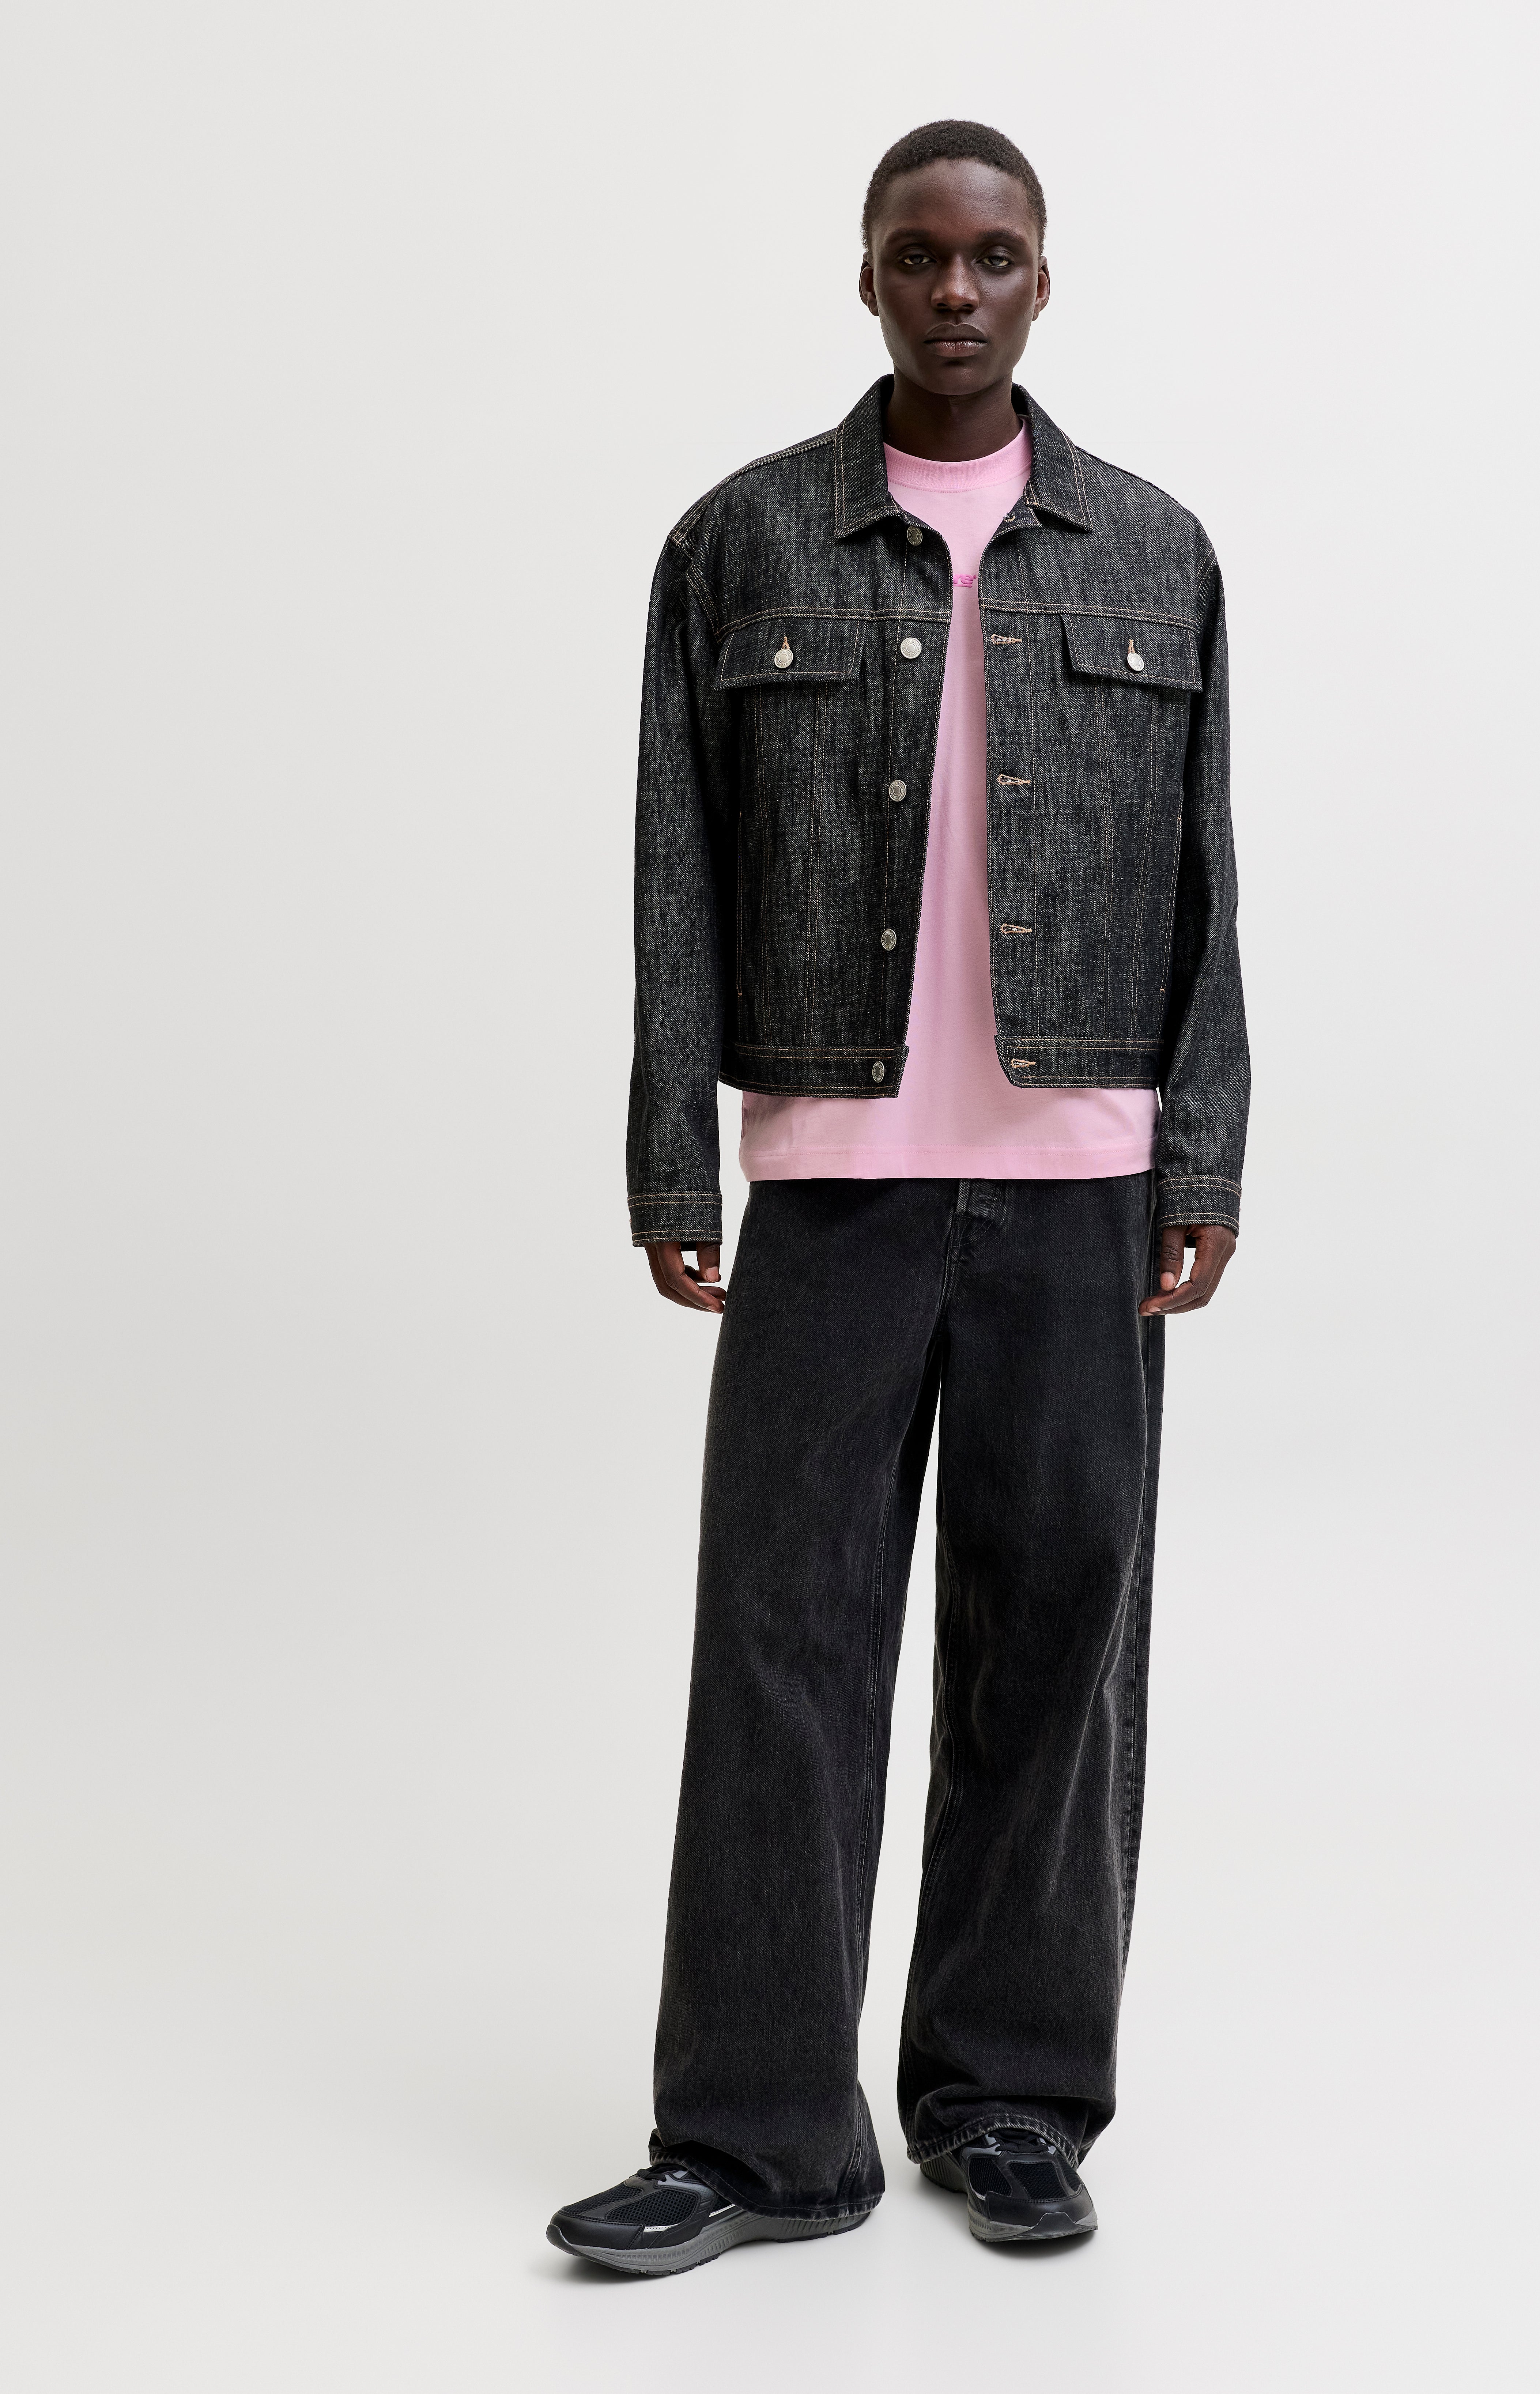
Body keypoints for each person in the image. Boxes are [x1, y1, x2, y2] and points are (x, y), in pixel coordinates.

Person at [549, 118, 1248, 2276]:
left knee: (1059, 1641)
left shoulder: (1154, 550)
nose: (958, 289)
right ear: (865, 276)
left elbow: (1209, 881)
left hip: (1079, 1191)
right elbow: (676, 871)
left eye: (996, 255)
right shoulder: (741, 541)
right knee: (782, 1648)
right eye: (920, 255)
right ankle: (759, 2134)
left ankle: (1010, 2098)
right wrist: (673, 1145)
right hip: (833, 1186)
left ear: (1044, 279)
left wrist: (1203, 1151)